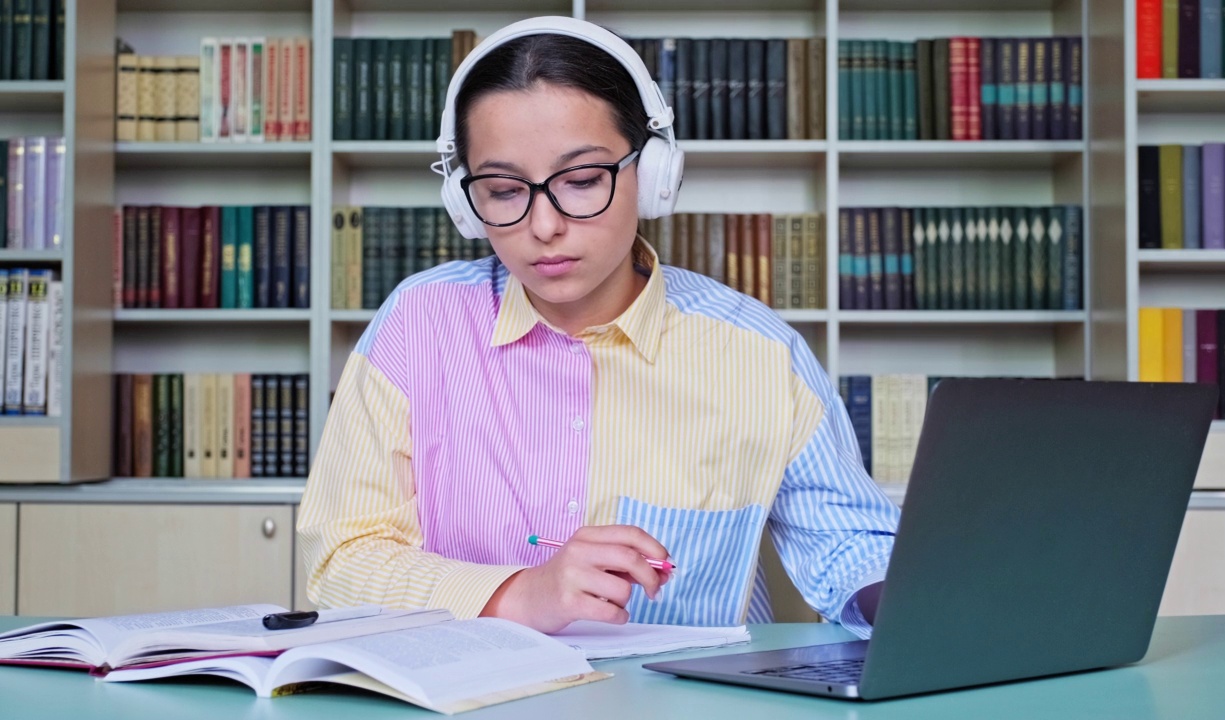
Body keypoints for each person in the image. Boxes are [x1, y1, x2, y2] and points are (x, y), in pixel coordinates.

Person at [297, 17, 899, 637]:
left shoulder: (761, 353)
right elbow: (340, 561)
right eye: (504, 191)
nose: (545, 226)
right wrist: (516, 594)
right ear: (464, 202)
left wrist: (927, 601)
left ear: (655, 174)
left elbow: (852, 546)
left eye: (582, 181)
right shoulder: (418, 324)